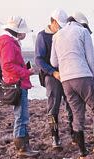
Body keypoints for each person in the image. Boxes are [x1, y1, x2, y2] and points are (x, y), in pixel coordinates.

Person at [50, 11, 94, 157]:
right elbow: (91, 60)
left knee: (77, 113)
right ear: (83, 23)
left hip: (66, 80)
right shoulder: (83, 32)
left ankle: (82, 151)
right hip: (82, 75)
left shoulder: (57, 36)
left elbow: (53, 62)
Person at [0, 16, 39, 158]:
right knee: (21, 116)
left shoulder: (7, 41)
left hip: (16, 82)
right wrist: (26, 72)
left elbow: (9, 64)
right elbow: (7, 65)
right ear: (17, 31)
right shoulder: (8, 43)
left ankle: (24, 145)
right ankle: (22, 147)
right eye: (24, 32)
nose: (25, 35)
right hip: (17, 84)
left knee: (22, 115)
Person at [35, 9, 75, 150]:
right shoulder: (42, 36)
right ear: (52, 21)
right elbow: (39, 60)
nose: (61, 27)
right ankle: (55, 137)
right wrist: (53, 73)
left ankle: (74, 134)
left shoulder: (63, 34)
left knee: (71, 104)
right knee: (53, 106)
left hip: (67, 74)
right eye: (59, 24)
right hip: (51, 77)